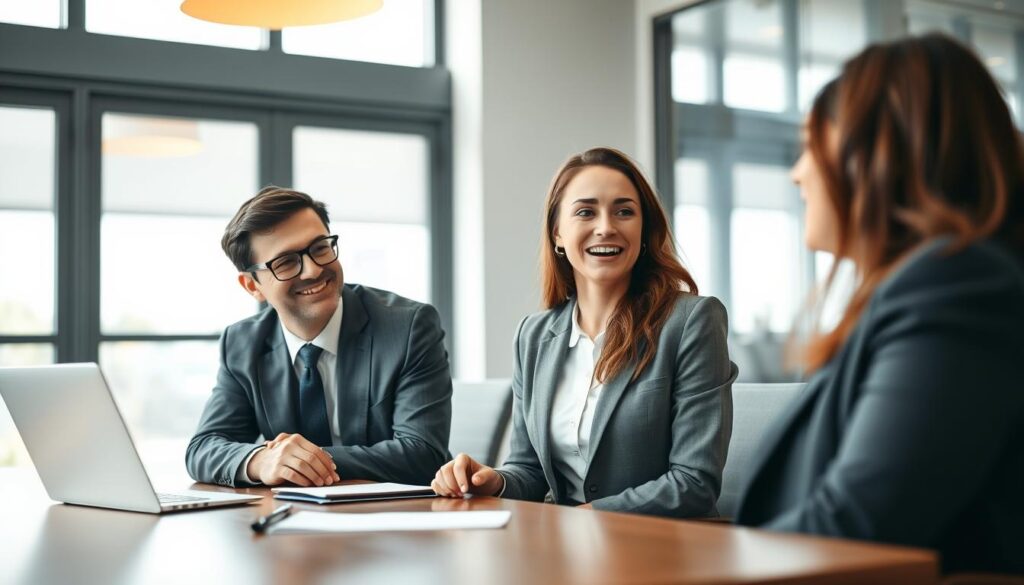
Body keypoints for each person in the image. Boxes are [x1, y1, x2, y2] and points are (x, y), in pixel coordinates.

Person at [734, 34, 1024, 574]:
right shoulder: (934, 283)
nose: (797, 172)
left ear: (873, 154)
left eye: (809, 145)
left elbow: (855, 526)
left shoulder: (956, 283)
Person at [432, 147, 736, 518]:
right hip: (566, 546)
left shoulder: (691, 321)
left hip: (664, 548)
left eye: (624, 211)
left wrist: (582, 518)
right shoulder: (534, 335)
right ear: (558, 233)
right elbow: (529, 470)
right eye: (585, 212)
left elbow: (694, 483)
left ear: (644, 231)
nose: (606, 226)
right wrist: (492, 481)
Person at [186, 186, 453, 488]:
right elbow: (203, 448)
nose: (313, 270)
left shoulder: (408, 327)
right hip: (289, 523)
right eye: (286, 262)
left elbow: (422, 454)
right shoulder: (242, 342)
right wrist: (261, 461)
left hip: (396, 521)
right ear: (252, 286)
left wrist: (296, 463)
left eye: (320, 248)